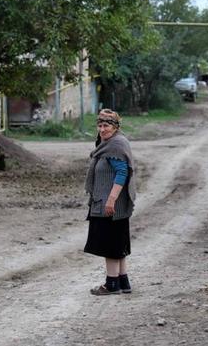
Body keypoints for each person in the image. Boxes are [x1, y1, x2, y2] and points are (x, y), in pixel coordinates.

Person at [84, 109, 136, 295]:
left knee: (110, 244)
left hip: (111, 204)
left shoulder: (115, 145)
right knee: (117, 242)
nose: (102, 129)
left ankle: (111, 284)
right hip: (113, 204)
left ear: (115, 127)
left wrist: (111, 200)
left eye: (106, 125)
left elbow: (122, 173)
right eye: (100, 125)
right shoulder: (109, 143)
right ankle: (123, 282)